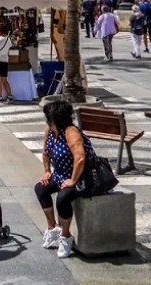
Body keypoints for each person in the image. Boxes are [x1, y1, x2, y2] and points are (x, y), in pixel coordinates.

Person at [35, 100, 96, 259]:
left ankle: (65, 235)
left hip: (82, 176)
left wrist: (73, 181)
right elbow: (45, 153)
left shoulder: (71, 132)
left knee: (62, 199)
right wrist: (47, 171)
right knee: (41, 188)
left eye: (48, 117)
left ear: (55, 118)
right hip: (61, 174)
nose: (46, 120)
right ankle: (52, 228)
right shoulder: (49, 131)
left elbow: (80, 158)